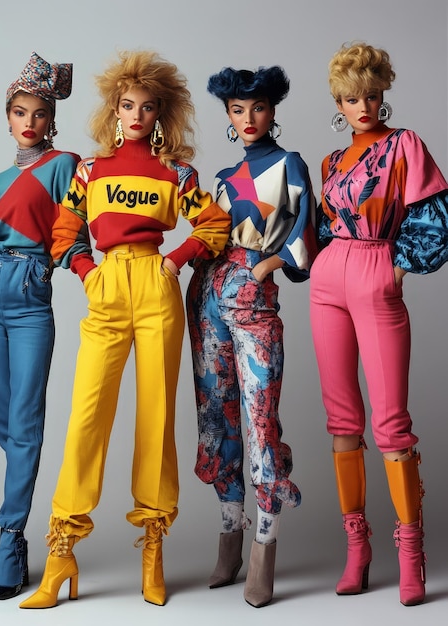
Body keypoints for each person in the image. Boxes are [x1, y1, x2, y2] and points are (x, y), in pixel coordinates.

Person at [18, 50, 231, 609]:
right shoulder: (91, 170)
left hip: (156, 285)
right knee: (87, 414)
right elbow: (64, 231)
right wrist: (88, 272)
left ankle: (153, 547)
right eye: (127, 105)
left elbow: (214, 223)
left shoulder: (175, 172)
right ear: (114, 110)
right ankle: (62, 549)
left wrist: (177, 257)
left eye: (148, 107)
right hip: (108, 285)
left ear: (161, 114)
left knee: (157, 416)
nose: (136, 115)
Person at [310, 42, 448, 606]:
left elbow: (435, 217)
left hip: (375, 268)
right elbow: (318, 227)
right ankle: (357, 550)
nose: (361, 106)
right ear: (337, 104)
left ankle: (411, 556)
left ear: (382, 94)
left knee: (391, 422)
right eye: (349, 98)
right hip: (328, 279)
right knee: (342, 419)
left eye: (369, 95)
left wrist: (397, 263)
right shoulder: (330, 163)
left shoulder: (404, 146)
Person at [186, 65, 316, 608]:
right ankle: (229, 537)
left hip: (254, 297)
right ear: (227, 115)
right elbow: (207, 231)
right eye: (237, 110)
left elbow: (304, 236)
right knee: (217, 416)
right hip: (209, 296)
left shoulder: (290, 164)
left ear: (273, 110)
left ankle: (264, 546)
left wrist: (266, 269)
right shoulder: (221, 175)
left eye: (257, 108)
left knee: (260, 417)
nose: (248, 119)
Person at [0, 52, 79, 601]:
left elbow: (77, 223)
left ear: (51, 119)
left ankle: (10, 536)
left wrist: (56, 263)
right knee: (5, 419)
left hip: (32, 295)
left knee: (26, 420)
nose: (29, 121)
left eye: (38, 113)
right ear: (7, 117)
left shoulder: (66, 163)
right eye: (19, 112)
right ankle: (20, 522)